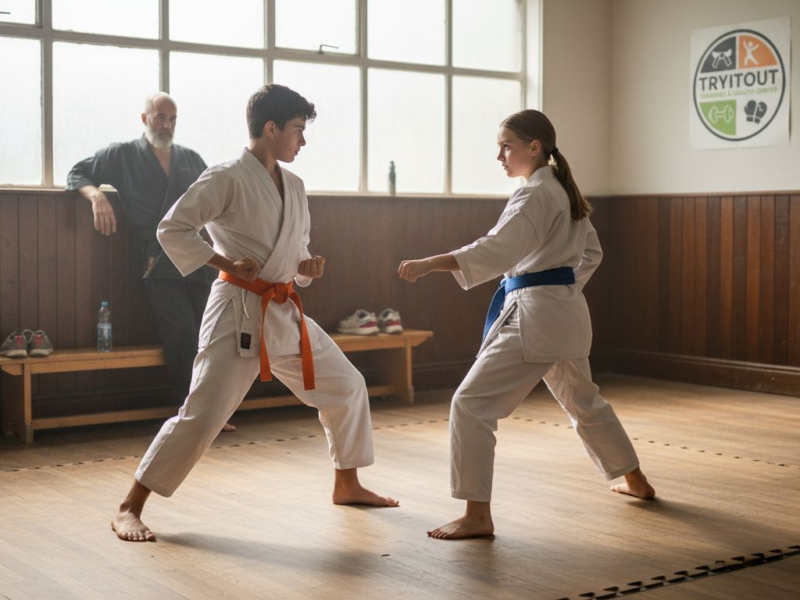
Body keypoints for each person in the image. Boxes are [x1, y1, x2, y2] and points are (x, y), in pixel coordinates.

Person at [111, 84, 398, 542]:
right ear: (270, 128)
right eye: (298, 130)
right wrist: (224, 262)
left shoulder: (296, 186)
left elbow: (296, 250)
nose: (302, 141)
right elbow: (173, 229)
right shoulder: (225, 177)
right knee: (202, 414)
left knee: (347, 385)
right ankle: (130, 506)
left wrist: (307, 267)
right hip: (237, 313)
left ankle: (348, 483)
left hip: (283, 309)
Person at [398, 109, 655, 540]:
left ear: (534, 147)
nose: (499, 155)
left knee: (471, 404)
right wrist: (563, 286)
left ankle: (477, 514)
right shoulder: (561, 190)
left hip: (535, 316)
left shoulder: (536, 193)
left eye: (506, 146)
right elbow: (591, 254)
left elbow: (497, 248)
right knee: (584, 403)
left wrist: (431, 264)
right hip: (565, 314)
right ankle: (636, 481)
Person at [66, 93, 235, 433]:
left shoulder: (190, 158)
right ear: (144, 119)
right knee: (182, 331)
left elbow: (215, 198)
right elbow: (77, 172)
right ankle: (195, 413)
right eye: (160, 117)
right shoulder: (123, 154)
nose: (166, 125)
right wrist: (97, 196)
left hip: (196, 254)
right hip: (155, 259)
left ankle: (214, 409)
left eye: (172, 119)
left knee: (209, 332)